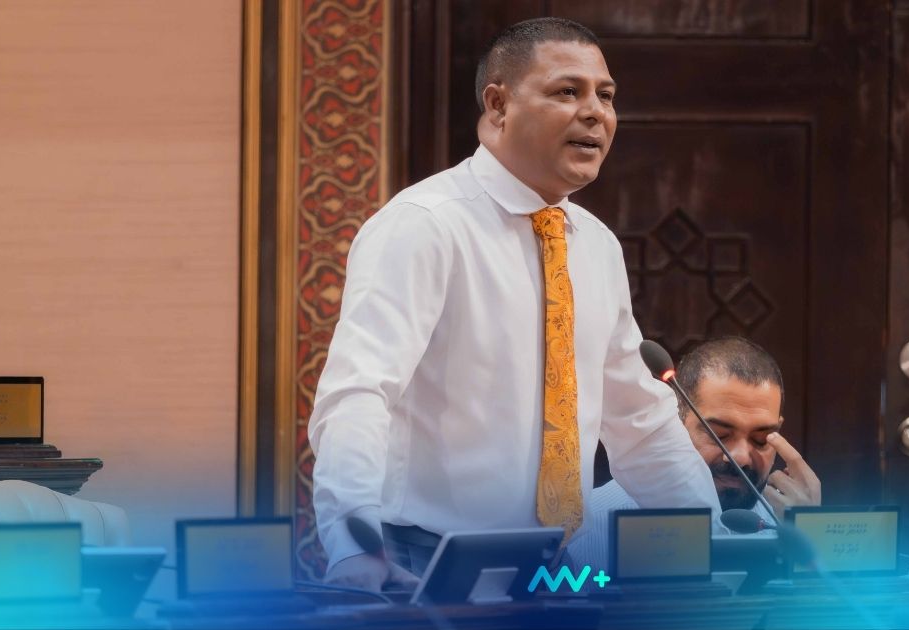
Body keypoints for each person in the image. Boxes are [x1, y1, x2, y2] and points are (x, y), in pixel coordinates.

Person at [308, 17, 720, 591]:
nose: (595, 113)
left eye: (605, 96)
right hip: (425, 561)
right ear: (498, 105)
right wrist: (354, 547)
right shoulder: (424, 225)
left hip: (556, 568)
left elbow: (640, 422)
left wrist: (714, 544)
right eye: (567, 91)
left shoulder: (595, 244)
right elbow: (357, 396)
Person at [567, 336, 822, 569]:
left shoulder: (785, 522)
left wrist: (810, 534)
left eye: (761, 439)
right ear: (675, 421)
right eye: (719, 435)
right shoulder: (585, 528)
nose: (741, 457)